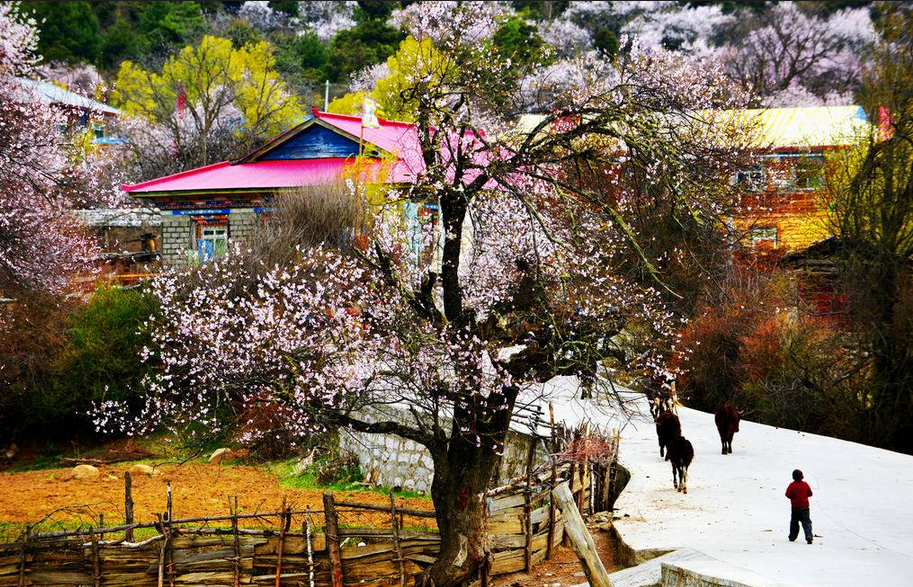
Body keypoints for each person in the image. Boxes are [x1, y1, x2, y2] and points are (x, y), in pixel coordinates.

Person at [785, 469, 814, 544]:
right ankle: (809, 535)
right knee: (806, 522)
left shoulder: (792, 485)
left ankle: (792, 537)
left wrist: (793, 497)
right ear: (802, 476)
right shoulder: (805, 484)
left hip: (795, 507)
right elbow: (810, 493)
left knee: (794, 522)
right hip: (805, 507)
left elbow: (787, 494)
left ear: (793, 477)